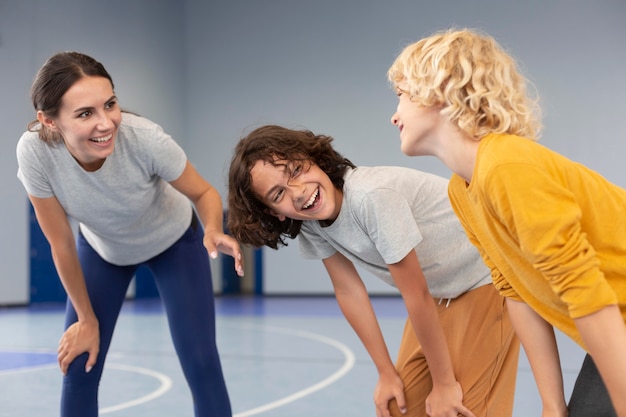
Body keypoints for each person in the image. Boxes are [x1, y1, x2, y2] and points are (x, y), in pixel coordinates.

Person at [387, 28, 626, 417]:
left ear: (442, 87)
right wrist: (552, 406)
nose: (394, 114)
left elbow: (585, 292)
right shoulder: (461, 191)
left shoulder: (507, 166)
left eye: (402, 94)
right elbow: (515, 291)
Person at [226, 124, 519, 417]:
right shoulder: (311, 224)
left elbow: (415, 293)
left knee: (461, 407)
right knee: (397, 406)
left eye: (297, 170)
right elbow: (348, 290)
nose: (300, 192)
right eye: (278, 194)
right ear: (273, 212)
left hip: (488, 274)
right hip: (442, 291)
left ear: (313, 158)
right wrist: (385, 372)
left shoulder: (370, 196)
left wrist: (444, 383)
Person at [16, 52, 243, 417]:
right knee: (79, 365)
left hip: (174, 243)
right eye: (85, 113)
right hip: (103, 250)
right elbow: (60, 243)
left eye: (110, 104)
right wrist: (87, 321)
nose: (106, 123)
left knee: (201, 363)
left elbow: (204, 193)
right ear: (49, 121)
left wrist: (213, 228)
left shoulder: (145, 139)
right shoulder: (35, 153)